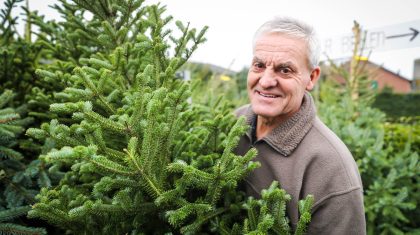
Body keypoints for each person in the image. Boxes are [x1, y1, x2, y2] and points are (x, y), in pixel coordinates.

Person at [234, 16, 366, 234]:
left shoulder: (332, 171)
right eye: (259, 65)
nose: (266, 81)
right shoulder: (230, 125)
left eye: (284, 70)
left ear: (311, 77)